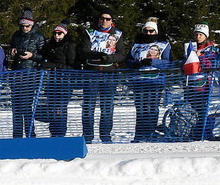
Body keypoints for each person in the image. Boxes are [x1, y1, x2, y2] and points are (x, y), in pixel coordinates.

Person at [79, 8, 126, 143]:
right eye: (102, 18)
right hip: (91, 73)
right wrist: (97, 55)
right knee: (88, 106)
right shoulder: (90, 32)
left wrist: (109, 59)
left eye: (107, 19)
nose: (104, 21)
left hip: (109, 74)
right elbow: (83, 51)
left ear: (112, 20)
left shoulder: (117, 34)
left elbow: (121, 54)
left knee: (107, 106)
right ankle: (87, 136)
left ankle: (105, 136)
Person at [126, 18, 172, 142]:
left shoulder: (164, 45)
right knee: (140, 108)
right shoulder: (136, 45)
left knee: (152, 108)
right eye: (146, 31)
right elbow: (128, 60)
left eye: (151, 31)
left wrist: (153, 61)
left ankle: (150, 134)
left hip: (155, 82)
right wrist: (133, 64)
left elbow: (168, 63)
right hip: (139, 81)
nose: (148, 34)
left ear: (155, 31)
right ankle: (139, 135)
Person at [8, 8, 45, 138]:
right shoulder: (16, 35)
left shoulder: (39, 36)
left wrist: (32, 55)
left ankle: (30, 134)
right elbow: (10, 48)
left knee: (26, 106)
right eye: (22, 26)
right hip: (16, 74)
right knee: (16, 107)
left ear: (32, 24)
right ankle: (17, 135)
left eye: (27, 26)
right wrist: (12, 52)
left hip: (30, 75)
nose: (25, 28)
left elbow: (43, 56)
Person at [39, 21, 78, 137]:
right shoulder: (49, 46)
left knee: (59, 109)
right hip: (51, 83)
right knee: (51, 108)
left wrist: (55, 67)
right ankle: (53, 133)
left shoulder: (69, 46)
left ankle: (60, 134)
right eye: (55, 33)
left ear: (64, 34)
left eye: (59, 34)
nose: (57, 36)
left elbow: (72, 65)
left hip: (64, 84)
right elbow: (44, 58)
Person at [183, 22, 218, 140]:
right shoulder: (190, 47)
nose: (198, 37)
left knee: (202, 109)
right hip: (190, 84)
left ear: (205, 36)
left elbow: (212, 64)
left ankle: (201, 133)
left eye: (200, 35)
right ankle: (194, 131)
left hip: (204, 85)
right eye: (196, 35)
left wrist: (200, 57)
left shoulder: (210, 48)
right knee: (193, 109)